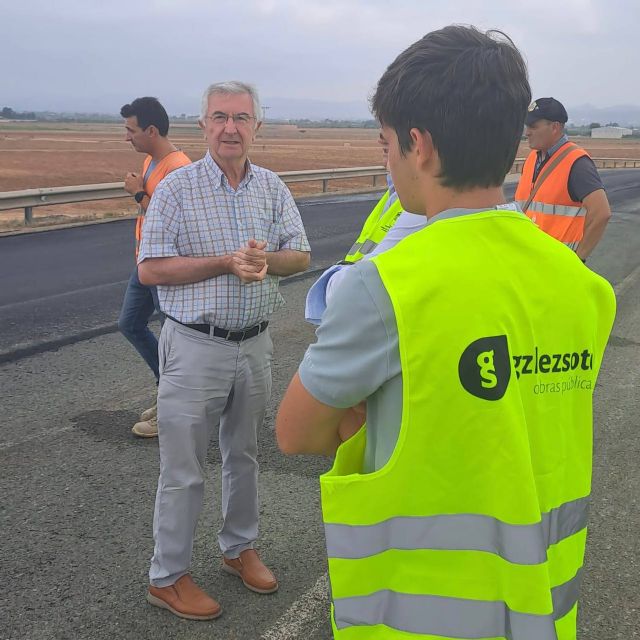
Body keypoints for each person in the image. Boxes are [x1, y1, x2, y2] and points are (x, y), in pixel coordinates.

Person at [276, 25, 615, 640]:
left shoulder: (388, 286)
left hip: (420, 619)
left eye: (385, 144)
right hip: (545, 610)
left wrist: (368, 418)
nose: (386, 161)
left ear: (419, 145)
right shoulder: (583, 287)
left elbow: (294, 432)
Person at [137, 81, 310, 620]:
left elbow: (300, 255)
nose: (231, 127)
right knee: (183, 466)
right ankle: (167, 576)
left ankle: (239, 547)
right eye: (219, 117)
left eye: (241, 117)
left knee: (244, 454)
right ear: (203, 125)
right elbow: (150, 269)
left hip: (253, 343)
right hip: (194, 346)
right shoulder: (177, 189)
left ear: (257, 125)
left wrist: (266, 262)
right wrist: (225, 262)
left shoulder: (272, 187)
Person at [118, 97, 191, 438]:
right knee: (130, 323)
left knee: (172, 337)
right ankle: (167, 390)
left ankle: (172, 406)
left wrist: (137, 194)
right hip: (145, 262)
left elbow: (174, 222)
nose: (127, 137)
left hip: (165, 266)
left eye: (131, 130)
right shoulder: (150, 160)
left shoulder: (179, 169)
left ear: (150, 130)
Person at [305, 133, 427, 324]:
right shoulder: (394, 194)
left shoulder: (419, 205)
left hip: (369, 320)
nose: (381, 137)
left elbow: (347, 293)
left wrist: (336, 278)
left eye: (390, 126)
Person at [515, 97, 611, 260]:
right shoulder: (532, 159)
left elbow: (601, 213)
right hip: (528, 260)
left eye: (533, 126)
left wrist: (578, 260)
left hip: (557, 265)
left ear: (554, 127)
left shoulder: (577, 163)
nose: (527, 132)